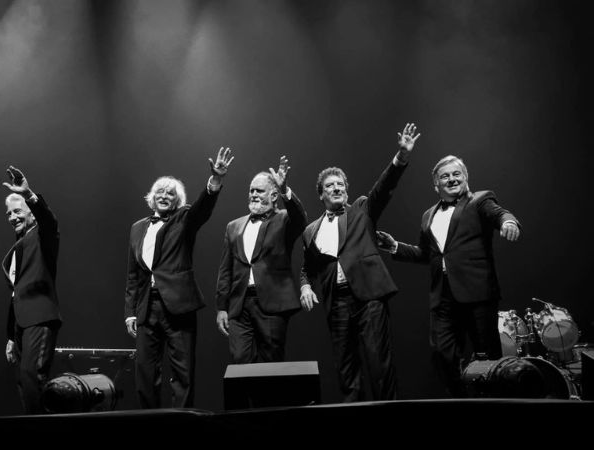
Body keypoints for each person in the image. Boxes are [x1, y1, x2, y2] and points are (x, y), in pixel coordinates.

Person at [376, 155, 520, 397]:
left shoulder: (480, 200)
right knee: (442, 355)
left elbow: (499, 214)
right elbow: (427, 254)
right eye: (445, 176)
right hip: (442, 297)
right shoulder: (428, 215)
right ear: (436, 185)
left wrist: (509, 223)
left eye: (456, 174)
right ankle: (459, 399)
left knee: (488, 356)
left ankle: (493, 402)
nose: (452, 179)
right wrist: (395, 246)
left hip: (477, 294)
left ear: (465, 177)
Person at [299, 123, 420, 402]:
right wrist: (305, 286)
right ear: (321, 194)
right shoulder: (310, 231)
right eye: (330, 185)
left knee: (379, 365)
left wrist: (401, 157)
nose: (336, 188)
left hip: (369, 298)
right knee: (346, 371)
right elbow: (307, 268)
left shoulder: (361, 209)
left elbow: (384, 187)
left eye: (340, 184)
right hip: (336, 302)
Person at [125, 147, 234, 409]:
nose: (164, 196)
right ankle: (150, 421)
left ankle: (181, 421)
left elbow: (202, 209)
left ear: (177, 200)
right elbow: (133, 274)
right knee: (145, 372)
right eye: (160, 192)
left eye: (170, 193)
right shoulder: (138, 227)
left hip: (178, 305)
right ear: (152, 198)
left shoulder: (183, 218)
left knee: (183, 372)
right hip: (146, 307)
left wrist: (215, 180)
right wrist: (130, 312)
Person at [215, 156, 308, 363]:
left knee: (271, 363)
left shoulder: (283, 218)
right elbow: (226, 270)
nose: (253, 194)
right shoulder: (233, 226)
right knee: (240, 361)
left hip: (273, 303)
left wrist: (285, 190)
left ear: (274, 195)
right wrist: (221, 307)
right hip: (239, 305)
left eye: (259, 191)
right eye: (251, 191)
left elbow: (301, 219)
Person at [2, 166, 61, 414]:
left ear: (31, 214)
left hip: (39, 315)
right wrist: (11, 336)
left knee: (32, 377)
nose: (12, 217)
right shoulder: (18, 245)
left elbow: (49, 220)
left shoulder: (43, 235)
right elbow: (15, 293)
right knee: (22, 381)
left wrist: (28, 195)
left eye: (17, 211)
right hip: (21, 324)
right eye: (8, 213)